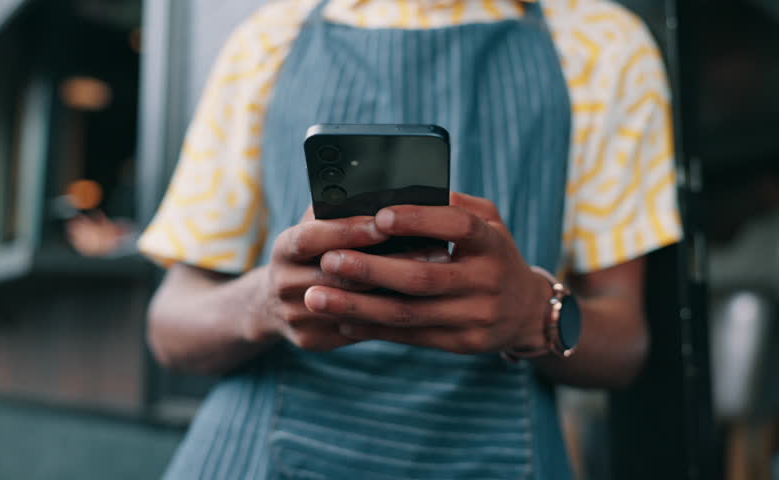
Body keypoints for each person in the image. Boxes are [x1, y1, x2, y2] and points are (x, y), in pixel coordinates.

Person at [138, 0, 681, 478]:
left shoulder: (604, 48)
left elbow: (625, 347)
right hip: (258, 451)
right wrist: (265, 303)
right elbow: (170, 327)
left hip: (498, 457)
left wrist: (532, 312)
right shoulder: (266, 42)